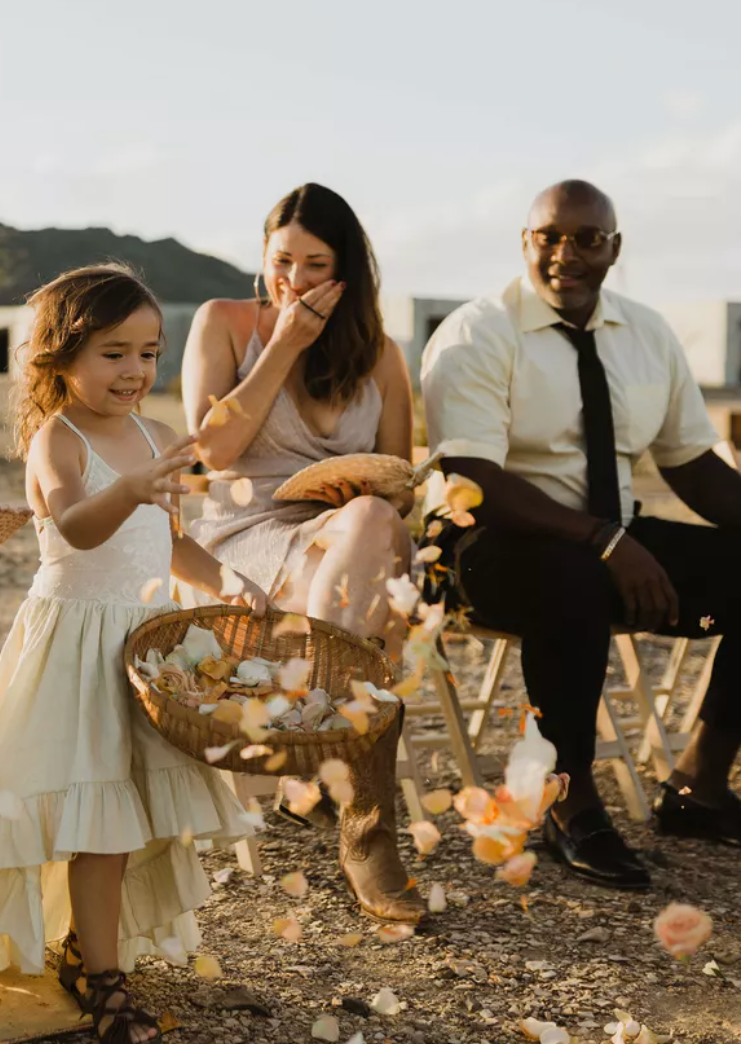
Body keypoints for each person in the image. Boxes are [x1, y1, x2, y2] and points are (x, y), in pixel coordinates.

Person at [0, 265, 263, 1044]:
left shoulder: (154, 436)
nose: (135, 371)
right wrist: (134, 487)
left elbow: (170, 542)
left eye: (147, 353)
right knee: (95, 815)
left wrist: (227, 578)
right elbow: (78, 526)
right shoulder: (60, 438)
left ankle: (92, 945)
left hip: (145, 643)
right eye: (114, 353)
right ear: (61, 356)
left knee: (135, 810)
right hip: (78, 642)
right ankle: (100, 976)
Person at [421, 179, 741, 889]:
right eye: (548, 236)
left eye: (585, 238)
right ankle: (570, 801)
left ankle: (698, 786)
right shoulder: (478, 332)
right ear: (525, 242)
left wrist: (610, 540)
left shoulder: (646, 334)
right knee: (571, 577)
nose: (565, 252)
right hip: (485, 547)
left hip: (608, 540)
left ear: (613, 249)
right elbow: (472, 477)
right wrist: (602, 541)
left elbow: (691, 466)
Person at [179, 183, 423, 923]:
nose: (294, 279)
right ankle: (365, 822)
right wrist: (284, 343)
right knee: (372, 590)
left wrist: (360, 493)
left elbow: (401, 482)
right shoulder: (225, 324)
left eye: (314, 265)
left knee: (374, 516)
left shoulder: (379, 356)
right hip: (246, 537)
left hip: (348, 544)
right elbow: (210, 456)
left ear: (345, 271)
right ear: (261, 257)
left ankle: (317, 742)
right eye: (281, 260)